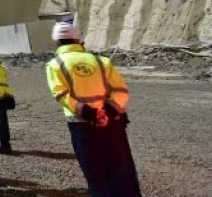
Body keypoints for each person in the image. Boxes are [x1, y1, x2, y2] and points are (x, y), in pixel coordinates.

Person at [46, 21, 142, 197]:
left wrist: (89, 113)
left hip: (83, 127)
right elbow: (121, 91)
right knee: (122, 172)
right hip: (113, 123)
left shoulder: (55, 64)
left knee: (97, 177)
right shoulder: (101, 61)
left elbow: (62, 95)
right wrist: (109, 111)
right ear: (78, 40)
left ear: (57, 42)